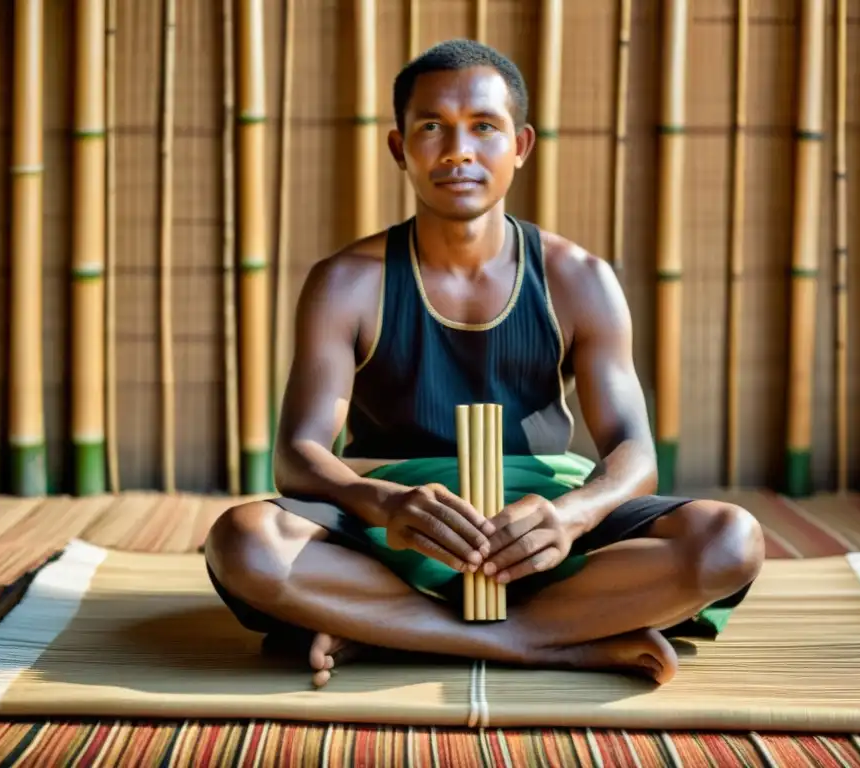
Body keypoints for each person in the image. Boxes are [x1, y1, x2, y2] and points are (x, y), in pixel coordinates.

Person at [204, 38, 764, 689]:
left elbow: (634, 453)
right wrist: (382, 503)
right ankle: (549, 637)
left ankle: (396, 629)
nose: (458, 151)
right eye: (433, 127)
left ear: (520, 146)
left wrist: (573, 516)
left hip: (542, 516)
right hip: (395, 524)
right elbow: (299, 454)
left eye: (485, 128)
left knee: (730, 540)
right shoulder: (347, 281)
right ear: (399, 148)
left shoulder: (578, 278)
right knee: (244, 541)